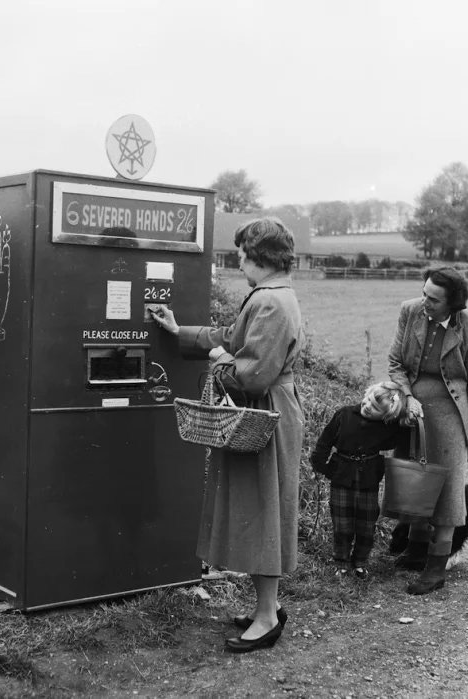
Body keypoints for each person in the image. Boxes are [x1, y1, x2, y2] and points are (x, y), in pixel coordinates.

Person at [150, 217, 304, 653]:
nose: (238, 263)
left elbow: (250, 375)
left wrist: (218, 357)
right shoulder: (269, 296)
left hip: (265, 413)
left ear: (260, 256)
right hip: (264, 412)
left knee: (264, 510)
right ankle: (264, 607)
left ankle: (268, 616)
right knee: (260, 510)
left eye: (240, 254)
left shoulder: (272, 303)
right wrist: (180, 331)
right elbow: (233, 337)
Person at [387, 267, 468, 594]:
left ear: (453, 303)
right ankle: (415, 550)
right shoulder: (410, 310)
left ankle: (435, 569)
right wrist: (407, 397)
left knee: (446, 489)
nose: (425, 301)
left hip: (449, 412)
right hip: (411, 410)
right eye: (424, 293)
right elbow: (395, 363)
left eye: (433, 298)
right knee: (414, 476)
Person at [310, 381, 408, 579]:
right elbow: (325, 442)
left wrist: (406, 418)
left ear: (386, 416)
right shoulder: (344, 415)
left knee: (366, 523)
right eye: (368, 400)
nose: (367, 406)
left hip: (369, 478)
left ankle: (360, 561)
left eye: (375, 408)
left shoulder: (387, 426)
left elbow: (402, 436)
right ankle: (342, 561)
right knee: (342, 523)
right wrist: (323, 466)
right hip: (341, 476)